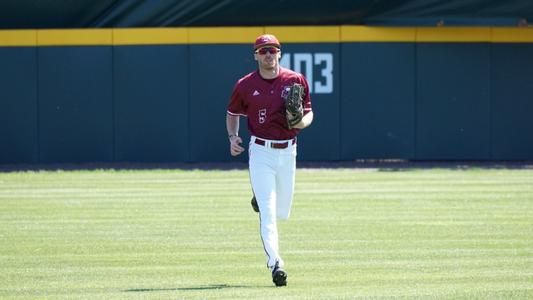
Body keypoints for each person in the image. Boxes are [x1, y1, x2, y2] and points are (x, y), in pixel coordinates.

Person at [225, 34, 313, 287]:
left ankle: (260, 201)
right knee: (269, 214)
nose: (268, 55)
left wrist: (300, 122)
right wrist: (233, 136)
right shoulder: (245, 84)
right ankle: (276, 263)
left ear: (279, 54)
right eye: (263, 51)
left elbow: (308, 113)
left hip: (288, 150)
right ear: (255, 55)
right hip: (261, 150)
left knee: (282, 212)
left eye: (272, 50)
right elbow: (232, 113)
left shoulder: (294, 80)